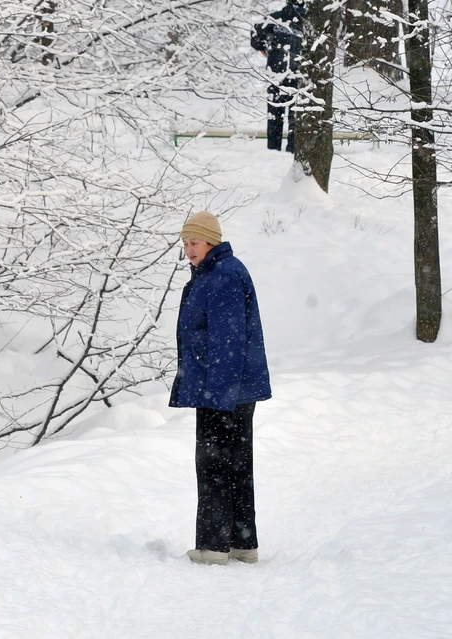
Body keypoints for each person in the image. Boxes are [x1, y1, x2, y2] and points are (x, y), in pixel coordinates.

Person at [170, 211, 272, 566]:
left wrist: (218, 396)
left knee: (214, 464)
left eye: (193, 242)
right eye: (184, 243)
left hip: (224, 390)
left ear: (211, 240)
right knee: (236, 464)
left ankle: (214, 546)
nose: (188, 250)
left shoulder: (223, 276)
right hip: (232, 389)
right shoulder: (216, 273)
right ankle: (243, 543)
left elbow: (228, 342)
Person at [251, 0, 305, 152]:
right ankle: (293, 148)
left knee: (275, 114)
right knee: (296, 115)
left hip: (275, 73)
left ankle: (273, 148)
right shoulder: (309, 21)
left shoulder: (274, 19)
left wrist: (263, 47)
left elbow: (255, 35)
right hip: (298, 74)